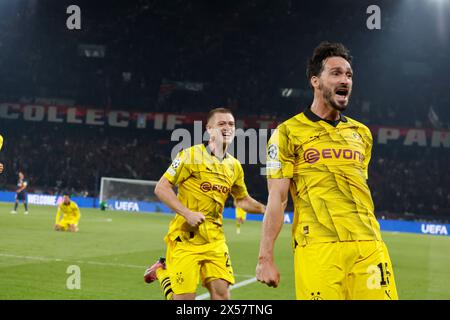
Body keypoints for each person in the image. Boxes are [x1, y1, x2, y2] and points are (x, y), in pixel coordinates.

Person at [256, 42, 398, 300]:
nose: (345, 79)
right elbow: (277, 198)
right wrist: (265, 257)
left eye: (349, 74)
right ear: (315, 81)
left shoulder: (362, 134)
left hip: (369, 246)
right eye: (335, 73)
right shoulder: (287, 133)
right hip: (318, 247)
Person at [145, 107, 265, 300]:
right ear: (209, 129)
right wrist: (187, 213)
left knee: (222, 297)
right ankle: (162, 271)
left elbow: (242, 200)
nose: (227, 128)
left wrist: (265, 209)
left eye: (231, 124)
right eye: (221, 124)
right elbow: (161, 188)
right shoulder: (189, 156)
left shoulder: (234, 166)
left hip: (215, 241)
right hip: (186, 239)